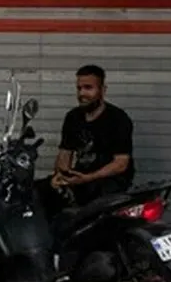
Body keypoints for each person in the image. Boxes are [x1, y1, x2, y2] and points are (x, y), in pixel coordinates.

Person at [50, 64, 134, 206]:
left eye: (88, 88)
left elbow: (121, 163)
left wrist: (88, 178)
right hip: (80, 177)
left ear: (103, 90)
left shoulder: (118, 119)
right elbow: (65, 153)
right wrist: (60, 176)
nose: (82, 93)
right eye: (79, 88)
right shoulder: (73, 117)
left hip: (109, 181)